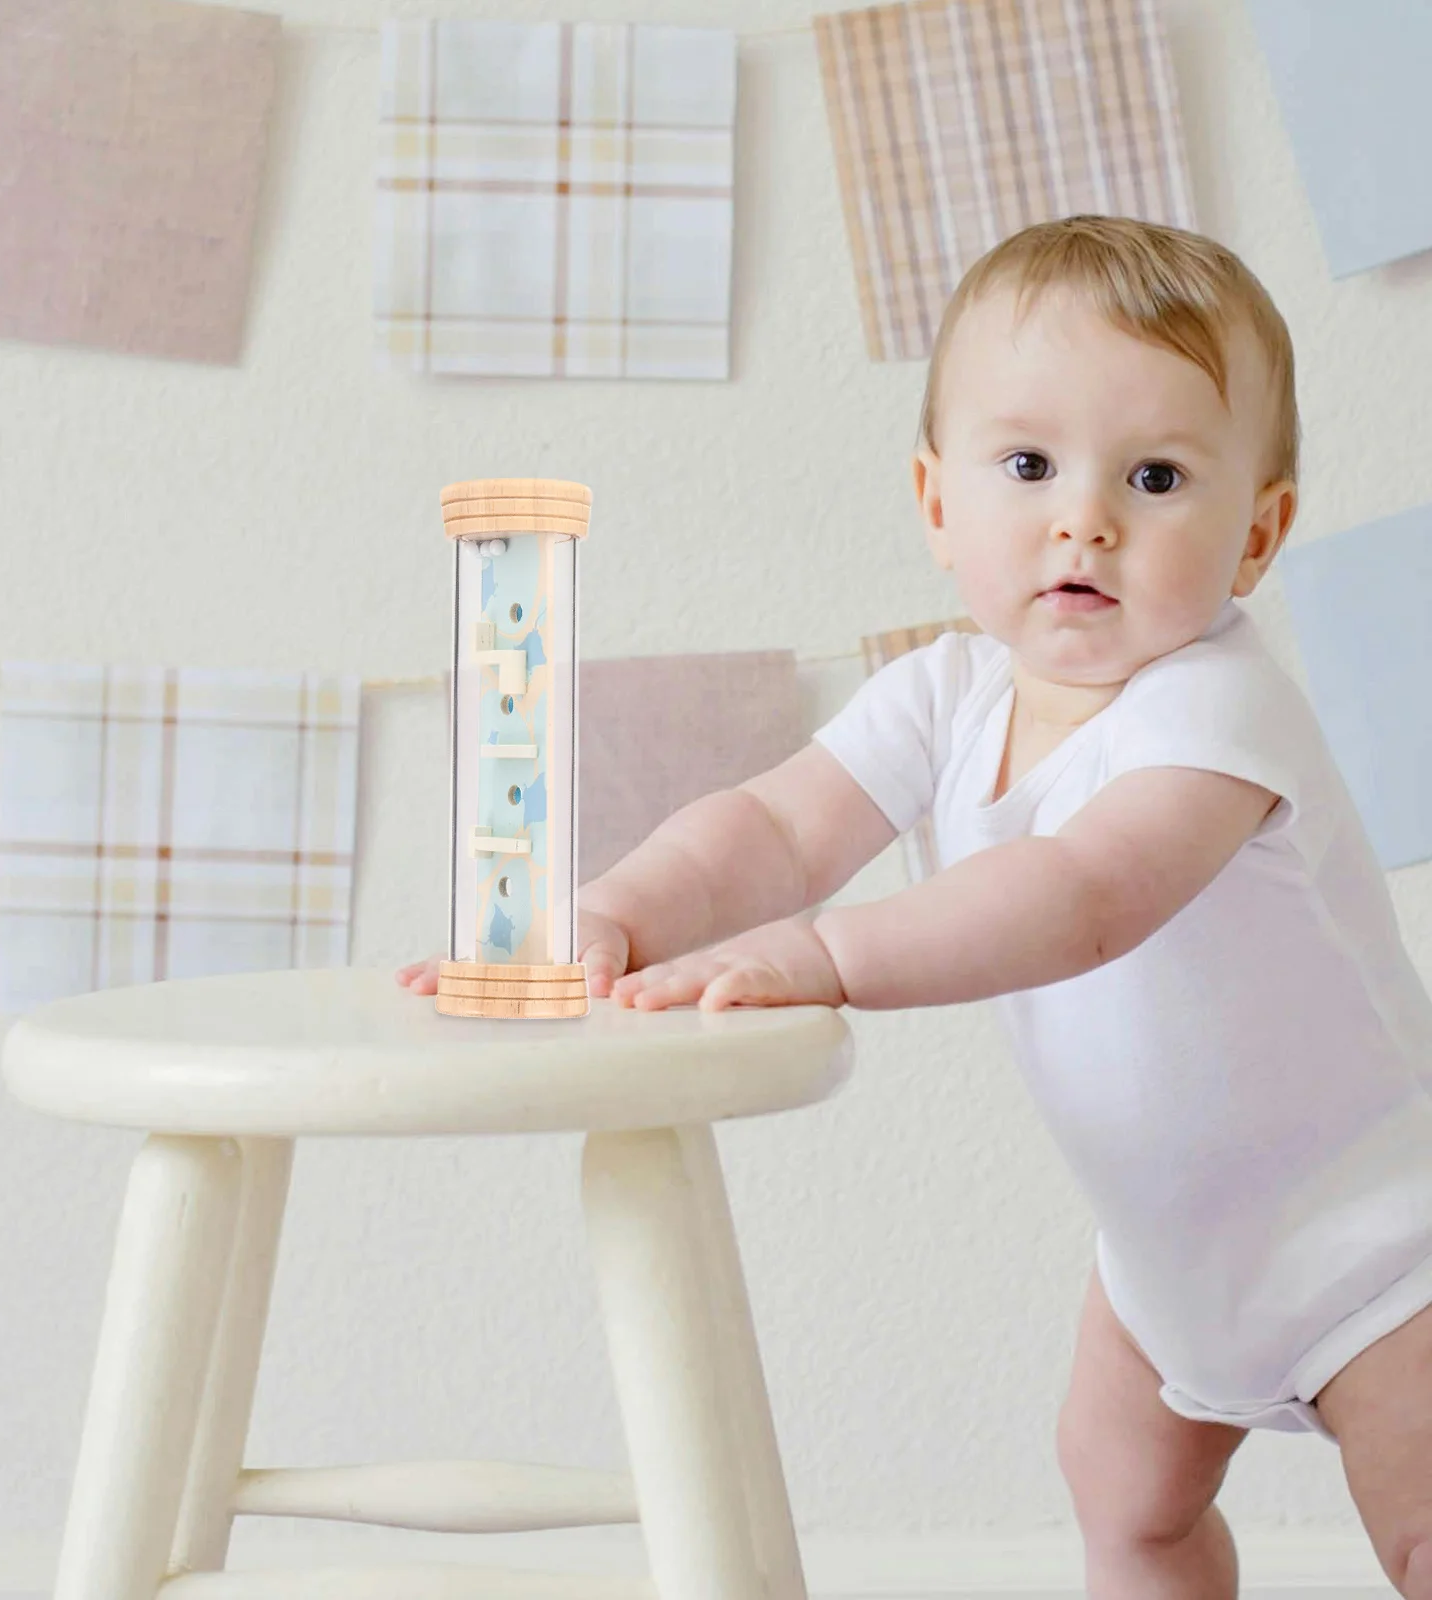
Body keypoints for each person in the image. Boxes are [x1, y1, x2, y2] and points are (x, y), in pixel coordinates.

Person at [399, 215, 1432, 1598]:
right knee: (1127, 1508)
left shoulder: (1218, 710)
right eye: (1028, 465)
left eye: (1159, 475)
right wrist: (621, 913)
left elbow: (1082, 895)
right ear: (939, 502)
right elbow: (771, 824)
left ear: (1260, 532)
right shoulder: (946, 697)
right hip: (1172, 1257)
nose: (1086, 517)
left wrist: (827, 954)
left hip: (1381, 1240)